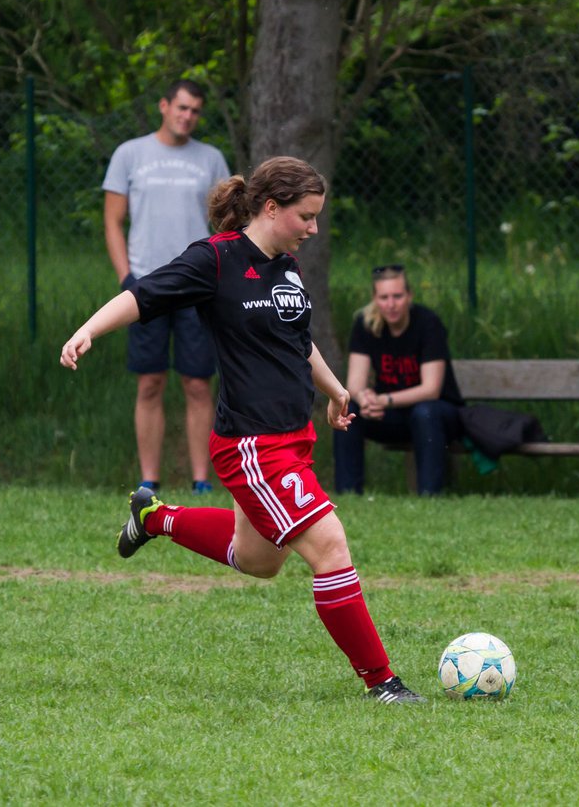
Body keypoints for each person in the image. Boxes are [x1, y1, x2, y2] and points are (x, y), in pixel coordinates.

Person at [61, 156, 424, 703]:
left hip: (291, 437)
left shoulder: (287, 268)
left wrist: (335, 392)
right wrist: (88, 330)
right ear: (271, 208)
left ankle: (154, 518)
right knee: (329, 545)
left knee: (258, 560)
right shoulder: (215, 260)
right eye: (306, 216)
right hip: (251, 444)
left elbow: (298, 346)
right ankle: (383, 683)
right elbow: (145, 294)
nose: (314, 228)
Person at [102, 79, 231, 495]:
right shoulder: (130, 154)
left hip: (197, 284)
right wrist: (127, 278)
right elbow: (112, 221)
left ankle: (200, 480)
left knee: (197, 382)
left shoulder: (210, 159)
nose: (187, 116)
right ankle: (149, 480)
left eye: (195, 110)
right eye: (181, 108)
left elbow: (227, 224)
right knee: (150, 381)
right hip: (146, 283)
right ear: (164, 106)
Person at [333, 265, 465, 496]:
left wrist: (383, 400)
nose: (391, 304)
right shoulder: (365, 324)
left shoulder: (428, 324)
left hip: (437, 414)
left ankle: (430, 496)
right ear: (375, 299)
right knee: (348, 410)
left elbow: (431, 390)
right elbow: (354, 383)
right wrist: (365, 400)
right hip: (391, 415)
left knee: (425, 412)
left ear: (409, 296)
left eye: (397, 296)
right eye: (384, 298)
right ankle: (348, 493)